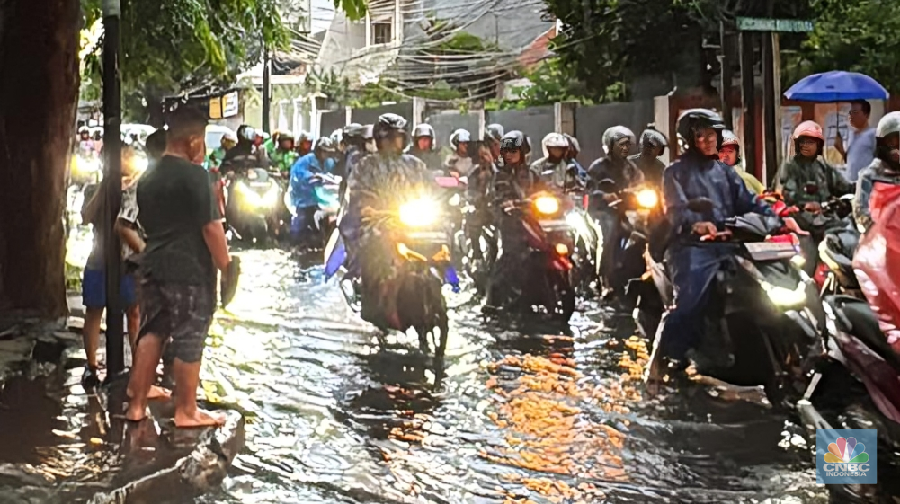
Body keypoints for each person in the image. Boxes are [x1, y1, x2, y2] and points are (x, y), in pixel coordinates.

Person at [646, 109, 802, 385]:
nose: (708, 140)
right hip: (692, 247)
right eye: (701, 135)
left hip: (731, 244)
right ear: (688, 139)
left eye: (712, 135)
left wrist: (779, 218)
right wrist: (697, 224)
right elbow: (676, 210)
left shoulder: (724, 171)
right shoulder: (674, 173)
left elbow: (750, 201)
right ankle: (660, 361)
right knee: (688, 302)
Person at [126, 104, 232, 427]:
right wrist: (226, 267)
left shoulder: (148, 178)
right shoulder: (197, 177)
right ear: (193, 141)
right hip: (189, 271)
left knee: (152, 331)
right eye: (202, 141)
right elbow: (211, 228)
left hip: (153, 265)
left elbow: (146, 223)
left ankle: (136, 405)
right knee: (190, 335)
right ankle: (187, 411)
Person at [345, 113, 433, 329]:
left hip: (413, 222)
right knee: (374, 248)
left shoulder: (415, 165)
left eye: (398, 138)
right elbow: (357, 194)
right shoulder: (366, 165)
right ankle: (372, 297)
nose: (393, 143)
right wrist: (369, 210)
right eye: (388, 138)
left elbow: (430, 189)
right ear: (379, 140)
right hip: (380, 222)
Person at [79, 147, 146, 386]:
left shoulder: (139, 189)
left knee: (134, 313)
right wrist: (106, 188)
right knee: (94, 310)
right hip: (100, 258)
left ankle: (139, 366)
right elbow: (86, 217)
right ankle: (91, 365)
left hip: (128, 263)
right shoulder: (94, 189)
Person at [485, 131, 542, 308]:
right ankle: (492, 300)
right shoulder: (500, 175)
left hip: (532, 218)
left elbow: (546, 190)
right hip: (507, 219)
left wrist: (561, 198)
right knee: (509, 254)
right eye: (507, 152)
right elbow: (496, 197)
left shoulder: (532, 174)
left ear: (524, 152)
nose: (510, 155)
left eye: (514, 151)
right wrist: (507, 204)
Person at [586, 126, 643, 297]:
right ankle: (606, 281)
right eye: (620, 145)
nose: (624, 148)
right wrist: (603, 195)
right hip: (602, 211)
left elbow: (641, 183)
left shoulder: (631, 168)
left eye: (626, 144)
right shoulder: (598, 167)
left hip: (627, 210)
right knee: (608, 235)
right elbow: (589, 189)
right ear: (610, 146)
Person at [773, 120, 854, 228]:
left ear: (818, 145)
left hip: (826, 216)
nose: (807, 146)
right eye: (803, 142)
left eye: (811, 142)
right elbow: (785, 195)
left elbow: (843, 186)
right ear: (798, 144)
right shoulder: (790, 166)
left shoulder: (823, 167)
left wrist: (864, 185)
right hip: (801, 218)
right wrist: (804, 205)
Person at [854, 111, 900, 233]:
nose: (897, 149)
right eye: (893, 142)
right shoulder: (869, 176)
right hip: (880, 239)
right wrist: (878, 231)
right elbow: (861, 213)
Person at [290, 137, 338, 240]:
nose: (326, 155)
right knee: (302, 220)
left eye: (328, 152)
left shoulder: (329, 163)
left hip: (324, 197)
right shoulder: (305, 161)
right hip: (305, 198)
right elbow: (296, 174)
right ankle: (297, 240)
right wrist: (311, 176)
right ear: (318, 151)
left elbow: (333, 176)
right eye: (324, 151)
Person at [835, 99, 876, 182]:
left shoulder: (873, 134)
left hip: (866, 185)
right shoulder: (851, 135)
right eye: (850, 112)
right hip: (851, 185)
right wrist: (840, 148)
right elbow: (850, 160)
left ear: (866, 115)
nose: (851, 116)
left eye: (855, 112)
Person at [718, 129, 765, 195]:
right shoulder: (707, 180)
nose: (726, 155)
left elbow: (768, 196)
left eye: (730, 151)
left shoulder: (747, 178)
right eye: (721, 151)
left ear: (736, 154)